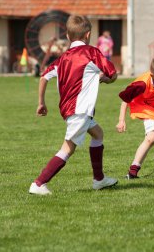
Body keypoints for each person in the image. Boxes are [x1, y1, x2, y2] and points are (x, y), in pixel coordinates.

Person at [29, 15, 118, 195]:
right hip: (80, 111)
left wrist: (41, 103)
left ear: (68, 37)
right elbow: (113, 73)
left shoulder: (62, 58)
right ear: (88, 35)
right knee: (68, 149)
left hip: (70, 110)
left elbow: (44, 76)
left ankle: (99, 179)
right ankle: (38, 183)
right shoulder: (92, 53)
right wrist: (105, 79)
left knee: (98, 133)